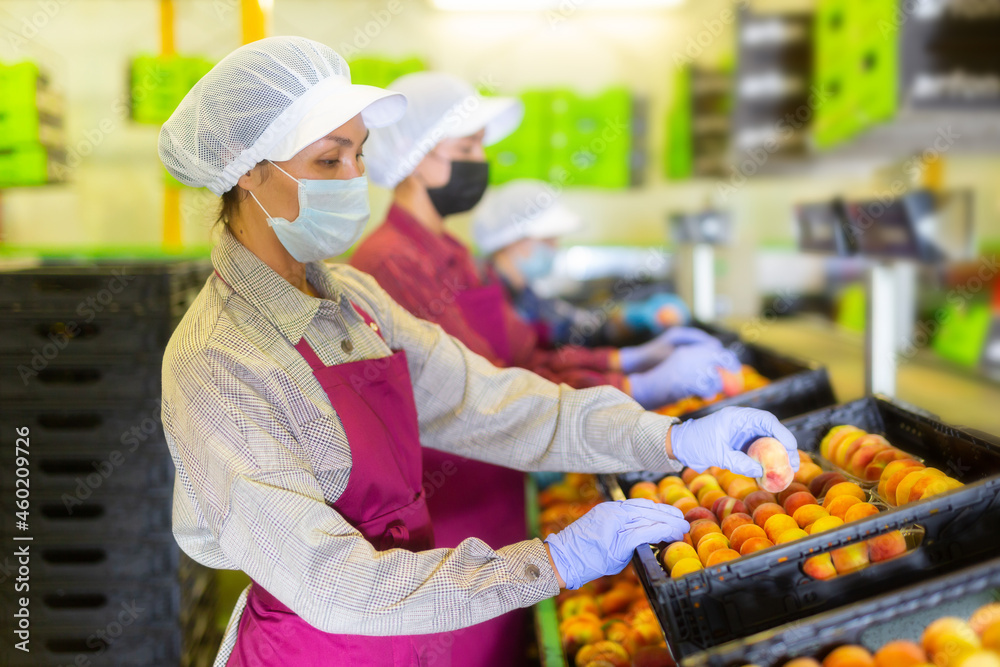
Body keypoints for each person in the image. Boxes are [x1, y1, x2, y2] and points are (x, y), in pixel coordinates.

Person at [157, 37, 799, 667]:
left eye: (360, 154)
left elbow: (490, 402)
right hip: (318, 648)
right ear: (250, 169)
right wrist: (550, 562)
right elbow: (335, 586)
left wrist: (668, 440)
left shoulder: (354, 298)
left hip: (417, 625)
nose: (356, 179)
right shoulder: (217, 360)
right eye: (330, 161)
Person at [349, 71, 743, 665]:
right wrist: (633, 389)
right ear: (415, 156)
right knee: (463, 643)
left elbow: (521, 362)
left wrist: (628, 365)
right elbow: (476, 399)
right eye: (466, 149)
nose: (480, 162)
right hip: (454, 500)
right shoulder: (389, 263)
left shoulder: (452, 254)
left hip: (501, 479)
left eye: (480, 145)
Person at [472, 178, 692, 349]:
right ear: (513, 239)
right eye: (547, 240)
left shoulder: (527, 296)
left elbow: (575, 326)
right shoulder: (485, 294)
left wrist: (630, 317)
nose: (554, 248)